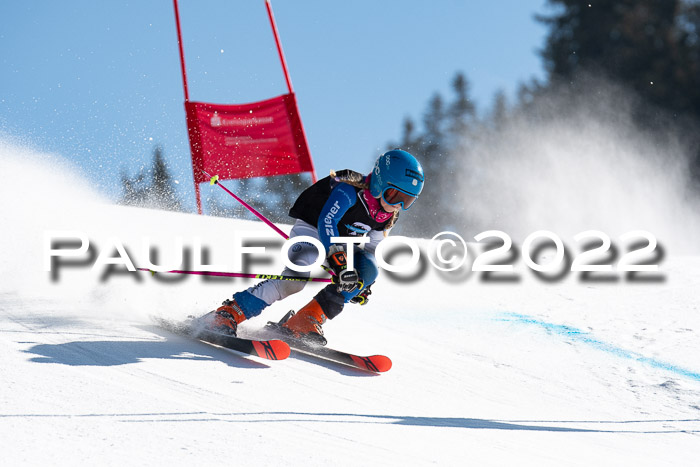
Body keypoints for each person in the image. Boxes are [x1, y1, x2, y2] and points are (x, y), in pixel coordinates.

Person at [199, 149, 424, 345]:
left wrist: (361, 282)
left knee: (370, 269)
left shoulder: (387, 214)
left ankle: (304, 320)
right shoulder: (349, 191)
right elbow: (328, 222)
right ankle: (228, 313)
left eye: (407, 200)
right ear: (379, 182)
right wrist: (341, 265)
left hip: (345, 244)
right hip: (313, 231)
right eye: (394, 195)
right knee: (294, 281)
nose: (398, 205)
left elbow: (373, 248)